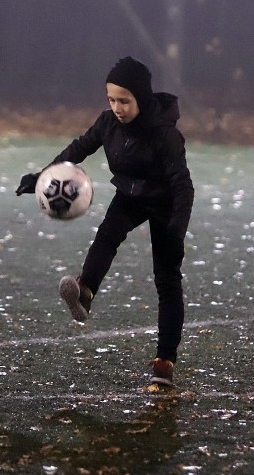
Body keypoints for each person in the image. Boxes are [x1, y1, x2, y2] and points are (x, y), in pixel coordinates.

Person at [16, 56, 194, 386]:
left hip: (165, 199)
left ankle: (165, 362)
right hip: (131, 192)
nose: (117, 107)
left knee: (166, 279)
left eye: (124, 100)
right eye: (111, 99)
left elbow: (183, 184)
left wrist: (177, 227)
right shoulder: (108, 123)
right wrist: (42, 177)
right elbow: (79, 149)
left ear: (141, 98)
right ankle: (85, 291)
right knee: (107, 234)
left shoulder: (164, 135)